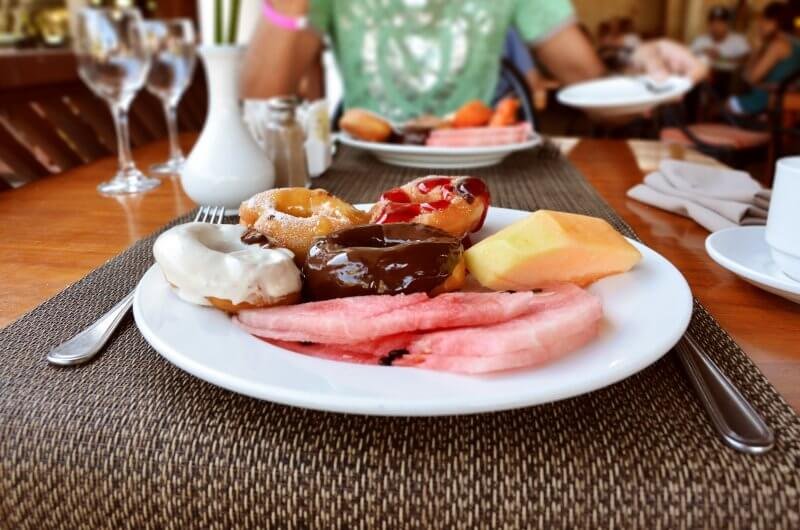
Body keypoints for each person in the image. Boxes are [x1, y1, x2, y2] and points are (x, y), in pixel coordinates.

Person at [242, 0, 707, 122]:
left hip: (487, 168)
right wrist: (285, 7)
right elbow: (260, 98)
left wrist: (641, 60)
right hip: (362, 172)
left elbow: (587, 77)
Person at [728, 2, 800, 115]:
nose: (759, 25)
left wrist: (756, 50)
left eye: (763, 21)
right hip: (782, 101)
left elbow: (750, 78)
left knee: (717, 108)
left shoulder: (778, 45)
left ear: (773, 22)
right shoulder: (795, 42)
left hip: (765, 101)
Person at [691, 6, 750, 71]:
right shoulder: (700, 40)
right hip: (705, 74)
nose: (716, 26)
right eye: (713, 23)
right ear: (709, 24)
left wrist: (722, 58)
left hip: (730, 76)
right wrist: (703, 51)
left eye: (720, 23)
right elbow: (689, 57)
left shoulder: (738, 40)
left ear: (728, 24)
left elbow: (746, 59)